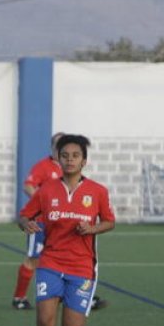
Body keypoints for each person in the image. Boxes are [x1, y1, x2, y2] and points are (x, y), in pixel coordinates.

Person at [17, 134, 114, 326]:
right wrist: (26, 224)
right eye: (65, 156)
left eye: (75, 156)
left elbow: (109, 221)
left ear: (84, 161)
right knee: (44, 321)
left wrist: (92, 228)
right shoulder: (46, 190)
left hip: (81, 267)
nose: (70, 160)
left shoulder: (97, 191)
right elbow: (24, 215)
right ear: (58, 159)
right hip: (50, 263)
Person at [12, 132, 108, 312]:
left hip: (69, 226)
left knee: (76, 255)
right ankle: (19, 296)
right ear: (53, 149)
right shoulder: (43, 166)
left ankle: (80, 293)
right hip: (42, 224)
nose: (66, 153)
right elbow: (28, 186)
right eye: (59, 147)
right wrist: (45, 204)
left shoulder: (73, 170)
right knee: (33, 259)